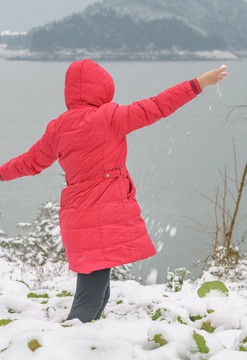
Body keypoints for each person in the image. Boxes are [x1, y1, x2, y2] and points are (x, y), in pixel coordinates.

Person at [0, 59, 228, 322]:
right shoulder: (109, 117)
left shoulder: (57, 128)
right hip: (99, 217)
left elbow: (29, 162)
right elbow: (157, 106)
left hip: (78, 216)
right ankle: (70, 342)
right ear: (102, 88)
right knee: (88, 300)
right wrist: (198, 83)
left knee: (99, 292)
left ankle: (88, 338)